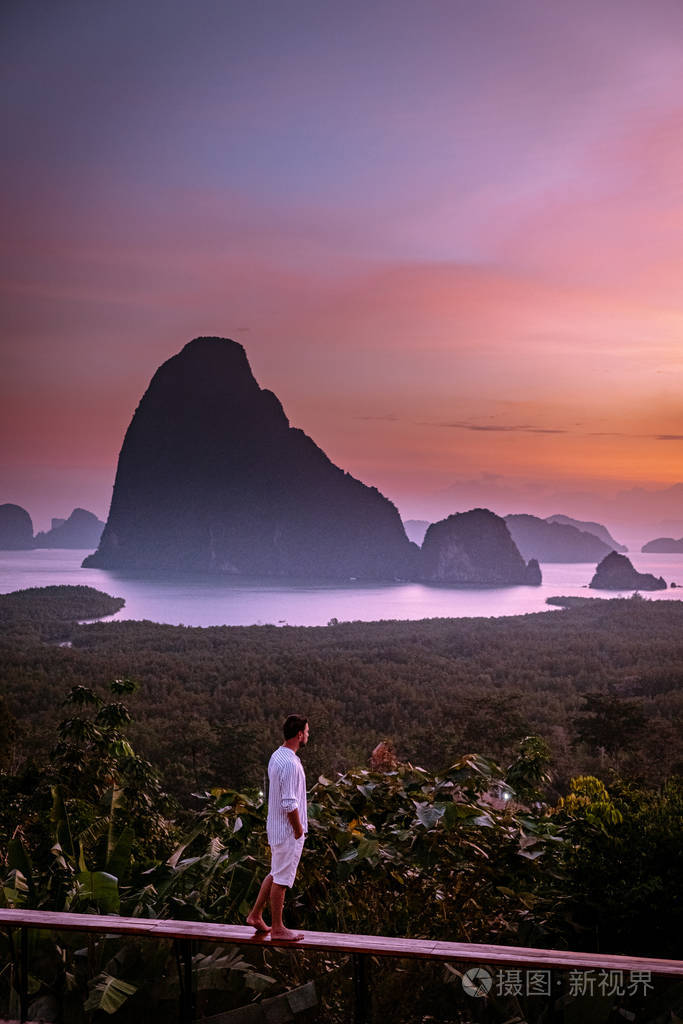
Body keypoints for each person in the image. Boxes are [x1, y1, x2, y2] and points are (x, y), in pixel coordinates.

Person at [247, 714, 309, 941]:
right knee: (281, 880)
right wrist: (298, 829)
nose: (308, 735)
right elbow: (289, 803)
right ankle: (278, 928)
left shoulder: (277, 755)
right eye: (307, 732)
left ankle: (255, 915)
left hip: (275, 828)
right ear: (299, 734)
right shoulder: (291, 763)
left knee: (275, 873)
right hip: (287, 831)